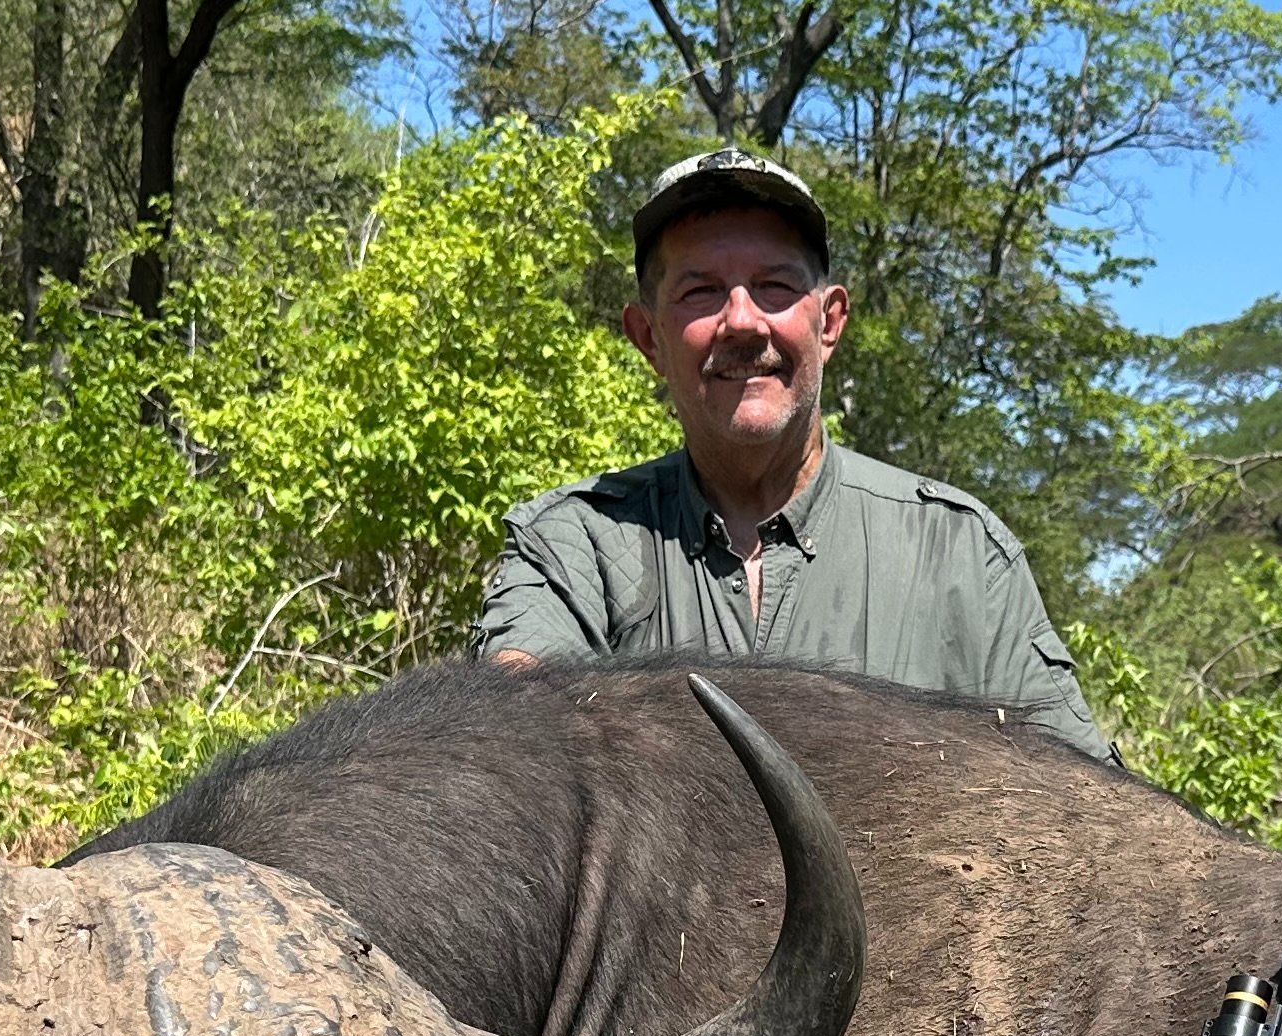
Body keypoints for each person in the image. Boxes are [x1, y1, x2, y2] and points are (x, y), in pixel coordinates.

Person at [477, 148, 1115, 759]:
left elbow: (1093, 820)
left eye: (775, 286)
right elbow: (516, 758)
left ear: (830, 322)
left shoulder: (961, 556)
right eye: (700, 291)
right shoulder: (571, 546)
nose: (744, 321)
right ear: (649, 337)